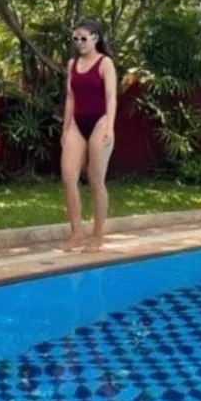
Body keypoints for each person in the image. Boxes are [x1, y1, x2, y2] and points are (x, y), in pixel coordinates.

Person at [60, 17, 117, 253]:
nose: (80, 42)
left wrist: (110, 126)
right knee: (68, 177)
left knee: (95, 180)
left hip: (100, 122)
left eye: (84, 38)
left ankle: (97, 236)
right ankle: (76, 233)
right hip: (77, 123)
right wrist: (65, 129)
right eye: (76, 38)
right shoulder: (72, 64)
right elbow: (71, 98)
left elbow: (111, 96)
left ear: (95, 38)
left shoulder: (105, 63)